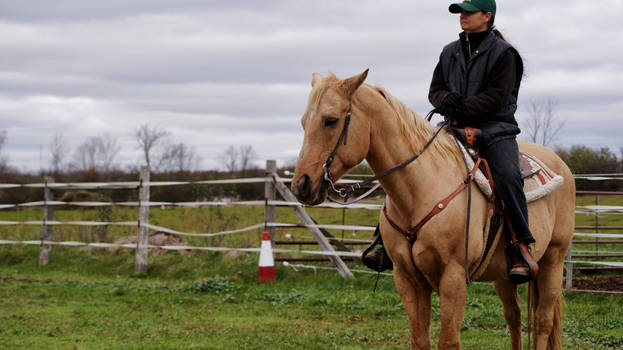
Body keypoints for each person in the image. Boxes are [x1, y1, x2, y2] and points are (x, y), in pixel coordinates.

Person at [364, 0, 537, 284]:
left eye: (469, 12)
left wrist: (461, 106)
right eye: (461, 12)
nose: (463, 17)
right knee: (409, 168)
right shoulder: (450, 52)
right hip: (453, 128)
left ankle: (520, 246)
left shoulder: (506, 55)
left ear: (487, 16)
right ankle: (384, 241)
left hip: (496, 130)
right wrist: (446, 100)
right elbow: (435, 90)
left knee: (507, 175)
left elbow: (497, 97)